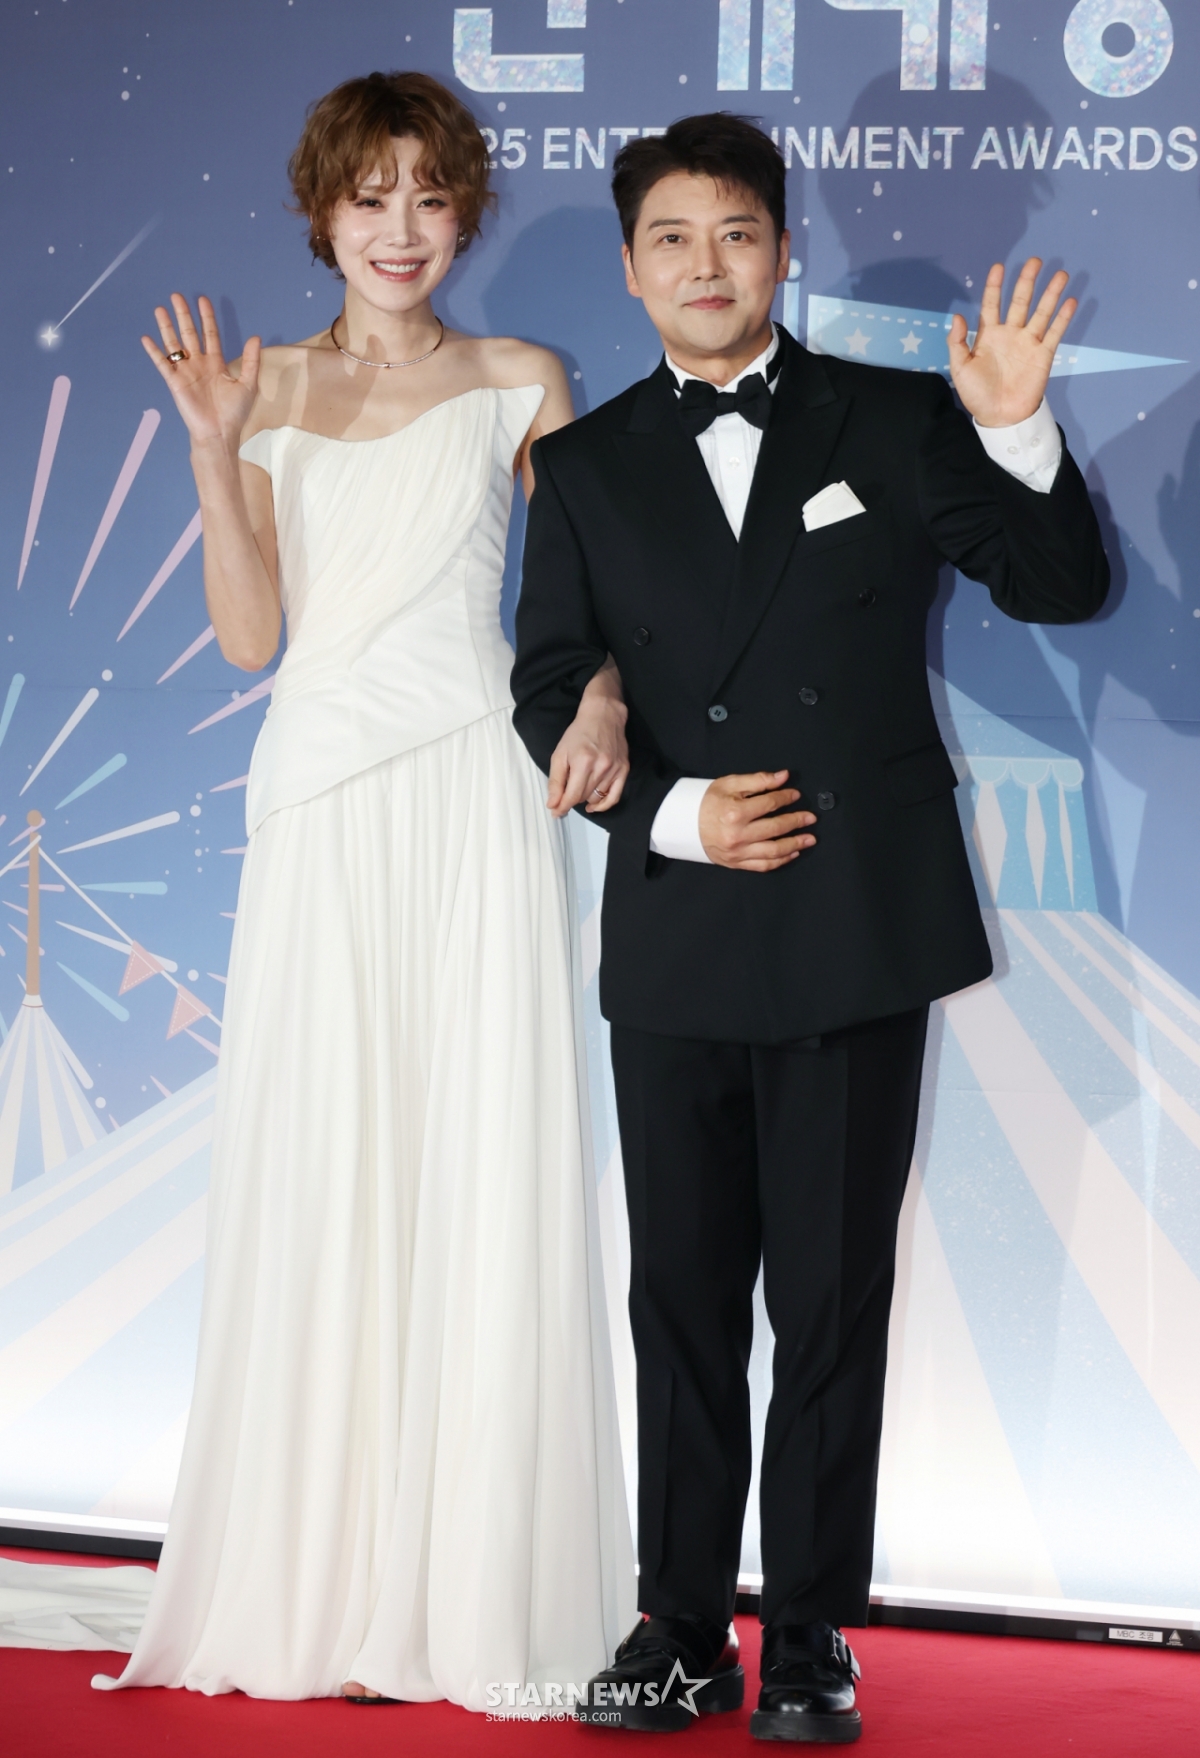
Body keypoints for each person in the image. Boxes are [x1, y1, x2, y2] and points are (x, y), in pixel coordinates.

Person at [511, 113, 1109, 1742]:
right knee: (681, 1295)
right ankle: (679, 1622)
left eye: (737, 233)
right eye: (672, 238)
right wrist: (670, 814)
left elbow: (1060, 586)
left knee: (831, 1303)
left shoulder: (899, 417)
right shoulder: (581, 466)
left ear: (784, 251)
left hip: (855, 919)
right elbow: (551, 679)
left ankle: (810, 1633)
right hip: (680, 926)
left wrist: (1019, 428)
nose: (706, 264)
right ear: (631, 268)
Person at [94, 70, 635, 1706]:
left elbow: (591, 588)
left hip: (475, 783)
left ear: (466, 214)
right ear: (322, 212)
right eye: (370, 197)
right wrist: (213, 451)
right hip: (323, 798)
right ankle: (322, 1577)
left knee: (476, 1151)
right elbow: (251, 637)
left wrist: (606, 694)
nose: (400, 230)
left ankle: (461, 1583)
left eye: (429, 197)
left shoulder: (522, 378)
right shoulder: (259, 384)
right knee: (328, 1150)